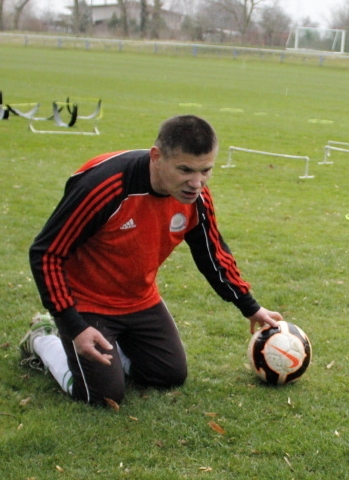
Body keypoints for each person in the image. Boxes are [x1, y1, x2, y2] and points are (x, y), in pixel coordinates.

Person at [20, 114, 282, 406]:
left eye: (206, 170)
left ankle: (112, 354)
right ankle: (43, 338)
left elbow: (212, 254)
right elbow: (46, 253)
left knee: (168, 374)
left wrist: (250, 307)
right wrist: (73, 325)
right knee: (103, 395)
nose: (196, 183)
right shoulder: (105, 186)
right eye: (185, 170)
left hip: (139, 299)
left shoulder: (196, 198)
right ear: (157, 157)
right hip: (85, 301)